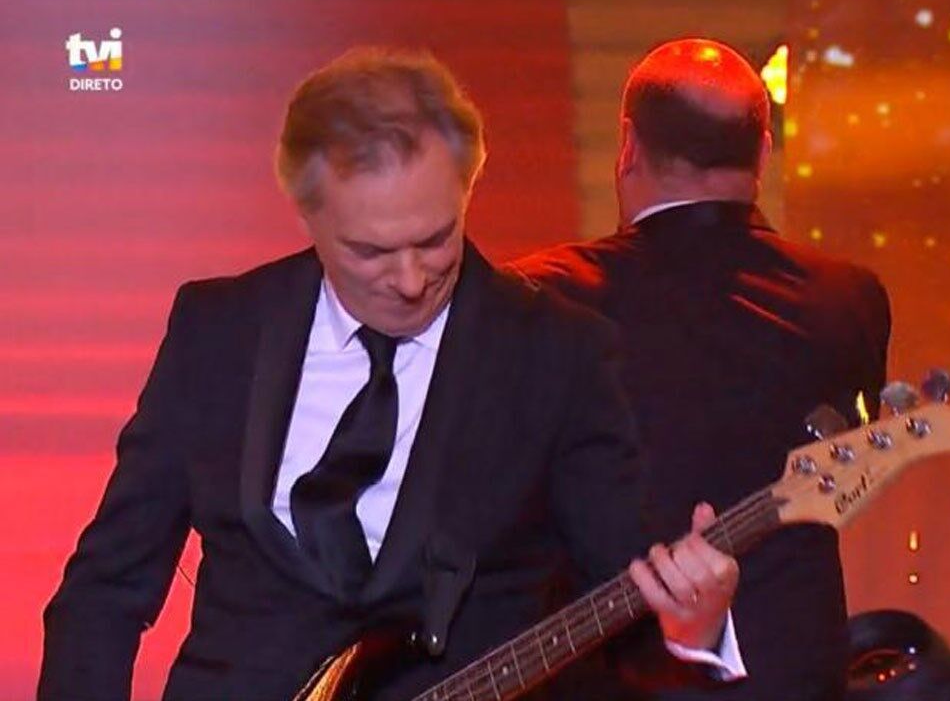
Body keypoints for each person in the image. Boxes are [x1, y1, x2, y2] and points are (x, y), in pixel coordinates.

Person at [38, 47, 745, 701]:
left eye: (436, 240)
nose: (410, 281)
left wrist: (697, 629)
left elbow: (622, 612)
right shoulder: (219, 331)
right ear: (307, 215)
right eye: (370, 252)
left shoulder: (559, 355)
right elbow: (106, 587)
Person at [510, 38, 891, 701]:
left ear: (628, 146)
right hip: (790, 680)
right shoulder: (849, 299)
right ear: (764, 154)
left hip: (605, 683)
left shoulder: (536, 300)